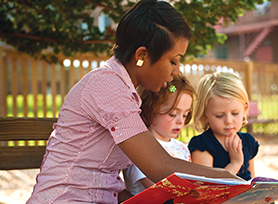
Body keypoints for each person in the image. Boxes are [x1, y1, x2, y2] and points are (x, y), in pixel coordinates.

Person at [26, 1, 239, 203]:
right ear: (142, 55)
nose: (177, 70)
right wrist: (232, 181)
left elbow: (175, 88)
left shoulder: (129, 89)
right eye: (173, 61)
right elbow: (161, 167)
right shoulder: (107, 86)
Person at [123, 74, 194, 195]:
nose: (180, 121)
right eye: (172, 114)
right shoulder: (139, 148)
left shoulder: (182, 149)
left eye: (185, 115)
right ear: (150, 109)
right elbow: (157, 189)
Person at [188, 71, 259, 181]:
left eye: (235, 113)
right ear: (205, 116)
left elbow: (252, 182)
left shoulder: (248, 142)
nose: (229, 121)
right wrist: (235, 163)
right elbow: (207, 188)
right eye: (219, 116)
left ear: (244, 110)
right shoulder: (202, 145)